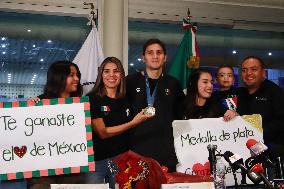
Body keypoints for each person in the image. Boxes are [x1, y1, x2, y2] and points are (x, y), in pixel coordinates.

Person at [86, 57, 152, 189]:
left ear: (121, 74)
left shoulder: (126, 99)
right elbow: (102, 133)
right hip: (96, 162)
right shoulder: (92, 99)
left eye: (116, 71)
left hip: (121, 160)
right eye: (107, 71)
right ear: (101, 75)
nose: (111, 75)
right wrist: (133, 122)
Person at [126, 38, 185, 172]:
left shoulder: (173, 84)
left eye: (159, 52)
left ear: (165, 58)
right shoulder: (130, 82)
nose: (155, 56)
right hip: (137, 152)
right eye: (150, 53)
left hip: (166, 153)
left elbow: (184, 112)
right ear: (143, 57)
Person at [27, 60, 86, 189]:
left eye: (77, 75)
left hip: (73, 171)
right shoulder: (39, 102)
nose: (76, 79)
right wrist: (26, 110)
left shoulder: (81, 105)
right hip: (43, 173)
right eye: (71, 75)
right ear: (58, 78)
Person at [239, 56, 284, 158]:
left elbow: (281, 123)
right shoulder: (240, 94)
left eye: (253, 69)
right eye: (244, 70)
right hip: (246, 150)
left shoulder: (275, 92)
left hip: (272, 155)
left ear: (263, 73)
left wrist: (256, 134)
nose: (248, 73)